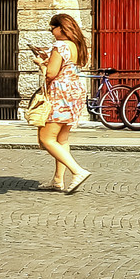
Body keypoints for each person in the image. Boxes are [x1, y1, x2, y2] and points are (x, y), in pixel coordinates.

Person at [30, 13, 93, 193]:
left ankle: (77, 171)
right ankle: (58, 180)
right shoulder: (77, 45)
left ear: (61, 28)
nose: (52, 33)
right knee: (62, 138)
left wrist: (41, 63)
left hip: (60, 93)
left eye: (53, 29)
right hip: (74, 92)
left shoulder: (59, 46)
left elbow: (51, 73)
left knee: (46, 139)